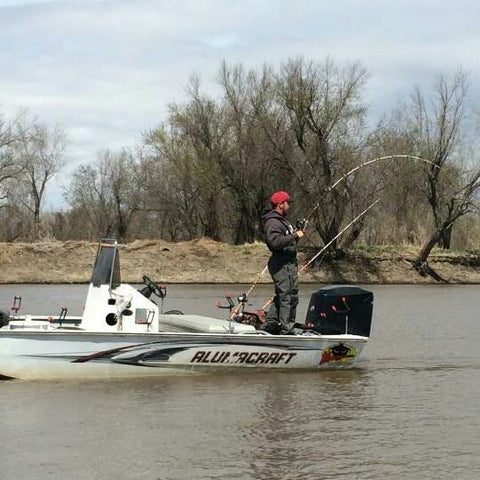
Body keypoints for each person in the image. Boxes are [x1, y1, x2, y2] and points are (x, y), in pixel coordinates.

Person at [261, 190, 305, 334]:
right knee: (287, 297)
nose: (289, 206)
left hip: (288, 263)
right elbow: (275, 242)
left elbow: (286, 240)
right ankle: (287, 330)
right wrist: (294, 236)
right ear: (280, 204)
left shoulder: (282, 221)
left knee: (285, 295)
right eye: (287, 203)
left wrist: (298, 232)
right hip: (281, 263)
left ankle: (270, 325)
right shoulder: (273, 222)